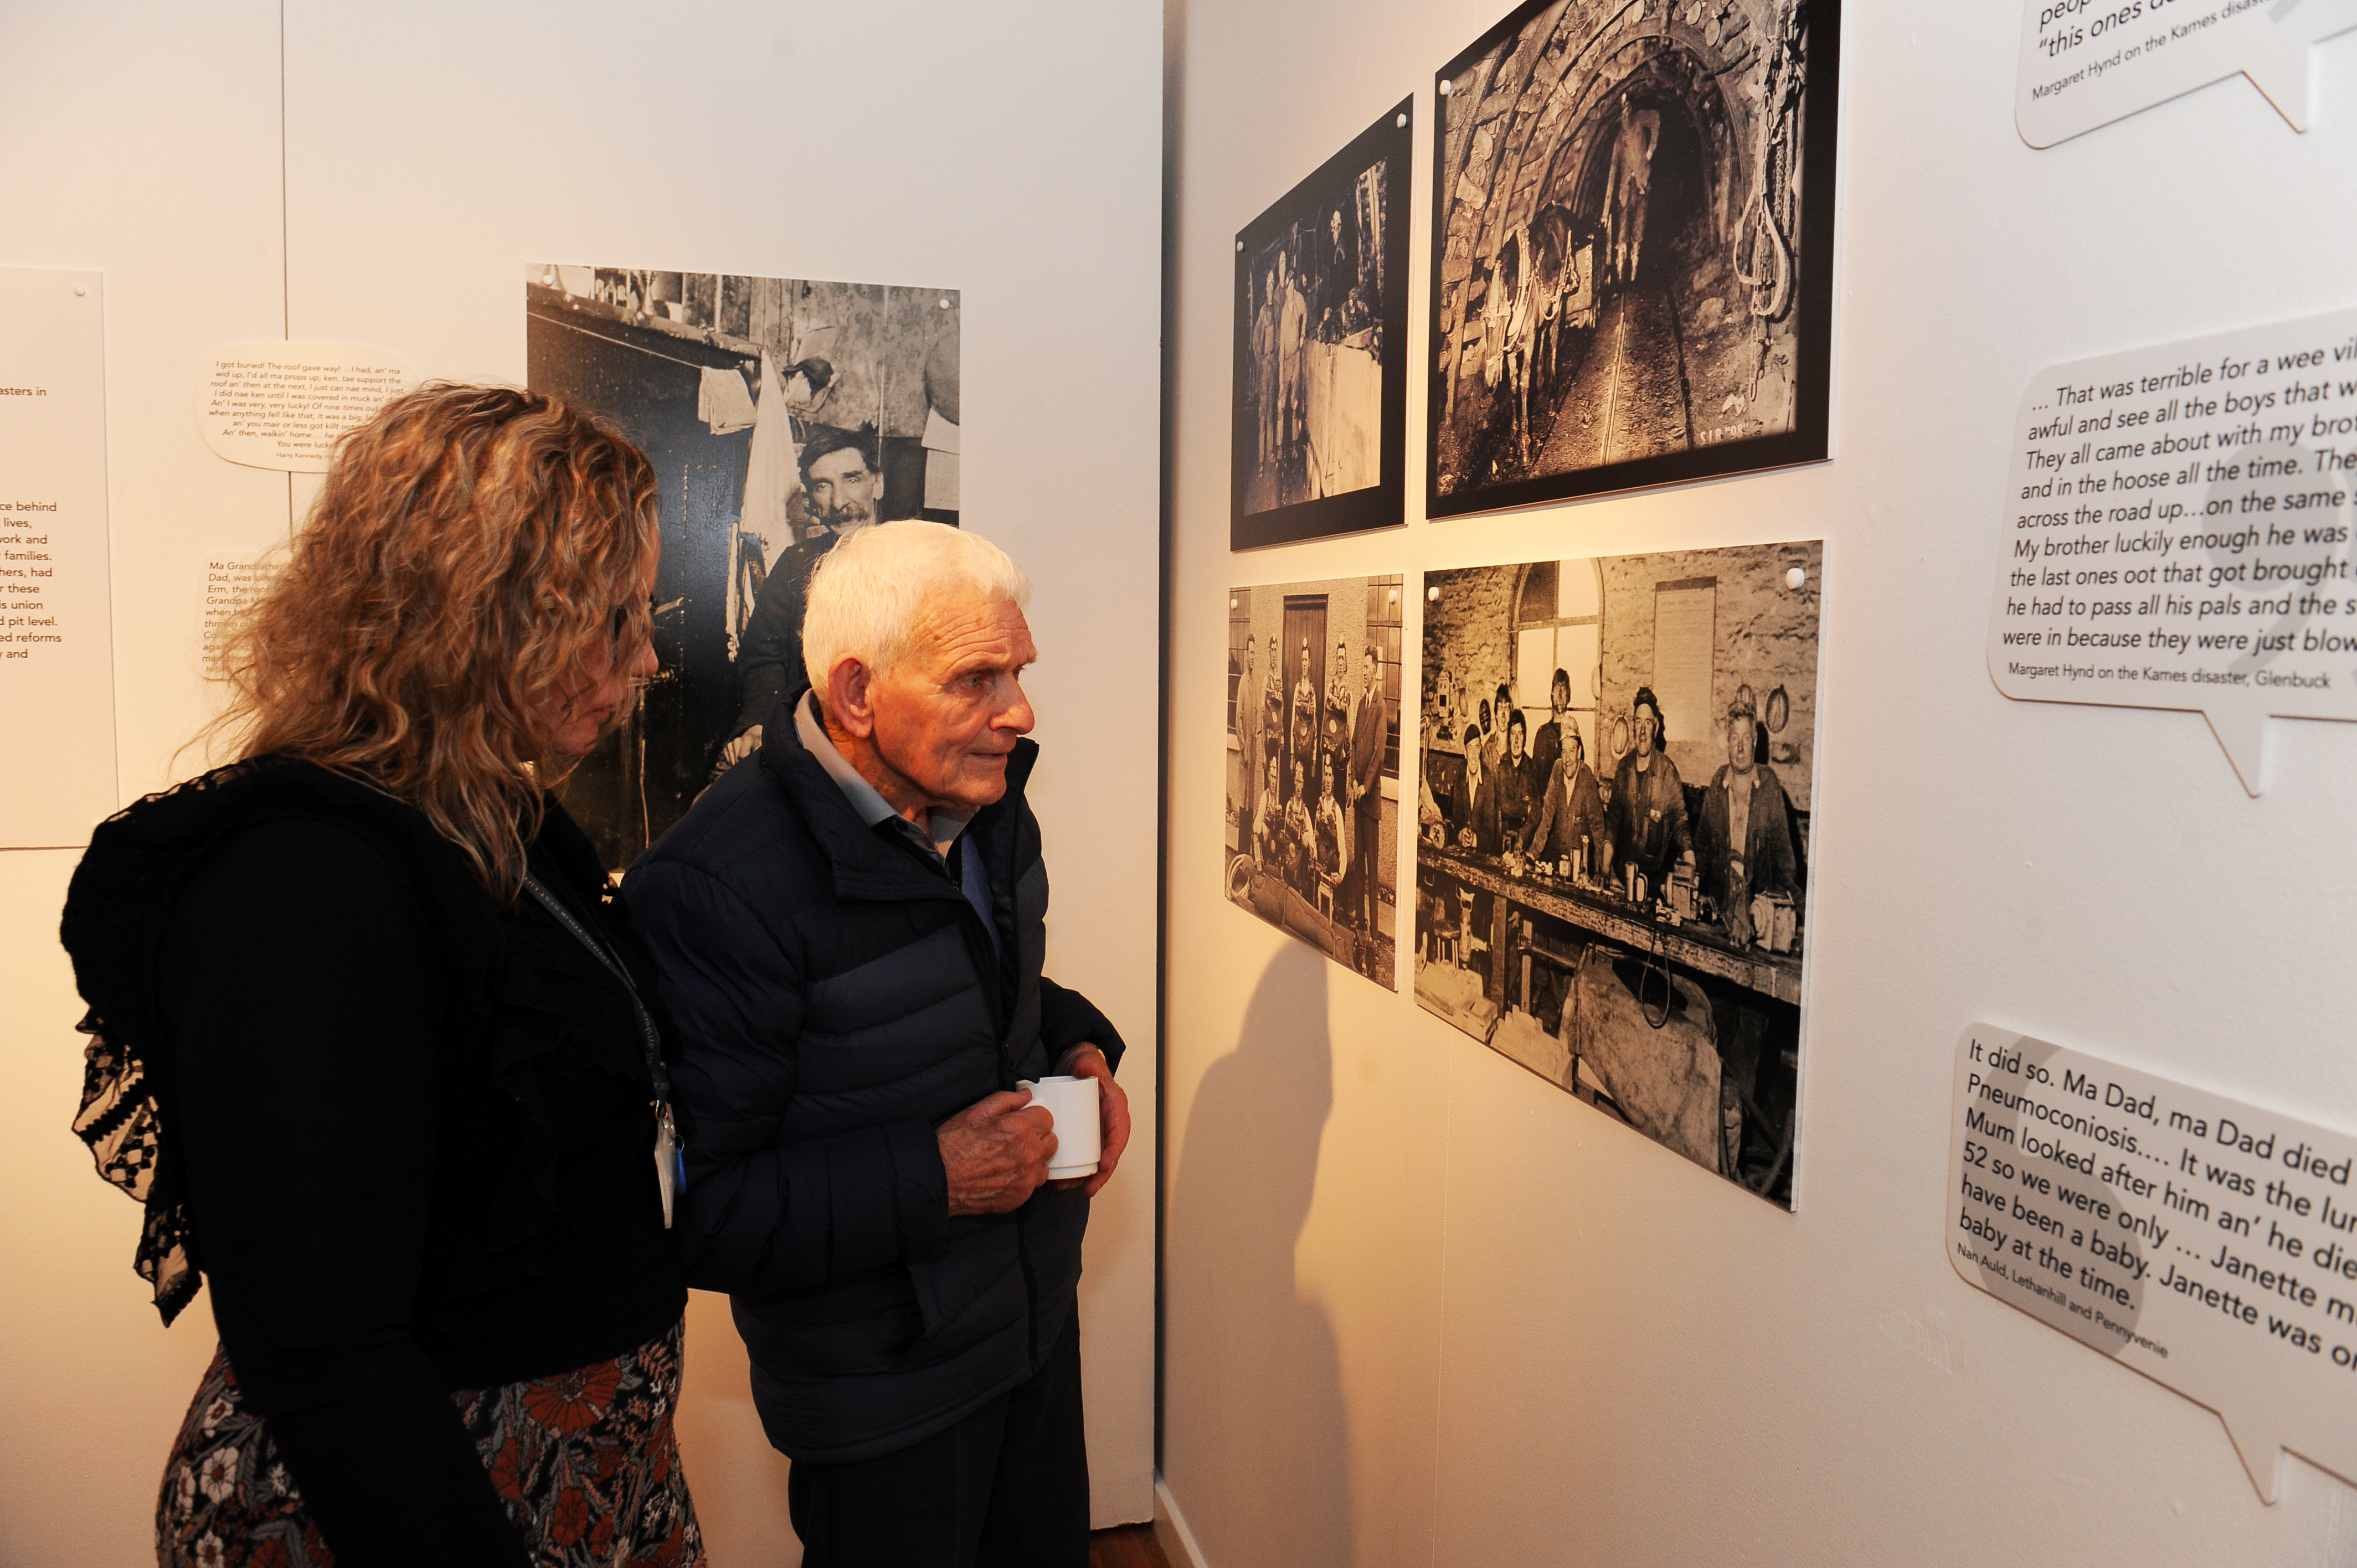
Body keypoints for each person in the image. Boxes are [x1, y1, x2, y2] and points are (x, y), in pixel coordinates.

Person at [60, 385, 703, 1566]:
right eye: (612, 620)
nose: (646, 655)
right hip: (408, 1506)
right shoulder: (300, 883)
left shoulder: (494, 822)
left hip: (569, 1473)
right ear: (487, 616)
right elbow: (324, 1349)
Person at [624, 522, 1131, 1568]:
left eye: (1019, 671)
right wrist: (934, 1177)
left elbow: (971, 989)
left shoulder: (985, 801)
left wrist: (1078, 1043)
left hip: (1026, 1327)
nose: (1019, 712)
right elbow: (702, 1209)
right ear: (858, 693)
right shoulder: (720, 883)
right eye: (976, 679)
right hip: (882, 1387)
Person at [723, 425, 893, 760]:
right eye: (823, 486)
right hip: (816, 735)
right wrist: (759, 722)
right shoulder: (796, 564)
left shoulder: (920, 558)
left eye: (852, 479)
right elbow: (764, 656)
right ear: (811, 499)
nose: (839, 501)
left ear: (878, 484)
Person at [1697, 700, 1798, 942]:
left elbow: (1785, 864)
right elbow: (1701, 848)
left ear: (1754, 741)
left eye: (1746, 739)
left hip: (1758, 915)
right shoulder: (1718, 782)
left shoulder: (1769, 786)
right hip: (1720, 911)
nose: (1740, 748)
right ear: (1727, 742)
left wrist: (1783, 914)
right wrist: (1697, 892)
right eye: (1734, 739)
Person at [1606, 685, 1691, 893]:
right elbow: (1613, 822)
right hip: (1621, 882)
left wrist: (1691, 870)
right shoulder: (1623, 768)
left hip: (1653, 887)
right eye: (1638, 722)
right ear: (1633, 725)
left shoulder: (1667, 772)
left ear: (1656, 726)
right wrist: (1606, 870)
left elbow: (1681, 825)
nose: (1642, 732)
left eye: (1648, 723)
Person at [1531, 721, 1608, 878]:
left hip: (1581, 869)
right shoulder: (1557, 769)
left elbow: (1598, 828)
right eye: (1564, 752)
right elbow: (1547, 818)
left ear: (1579, 752)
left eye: (1572, 751)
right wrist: (1532, 855)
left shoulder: (1587, 778)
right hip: (1558, 862)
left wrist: (1603, 871)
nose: (1567, 759)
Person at [1603, 95, 1662, 286]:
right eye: (1622, 116)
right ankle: (1621, 275)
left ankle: (1634, 270)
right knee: (1622, 234)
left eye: (1626, 111)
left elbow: (1656, 117)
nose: (1625, 118)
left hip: (1642, 185)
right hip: (1625, 192)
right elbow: (1612, 172)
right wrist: (1605, 212)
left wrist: (1651, 150)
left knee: (1638, 229)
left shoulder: (1639, 121)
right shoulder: (1619, 141)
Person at [1347, 643, 1386, 935]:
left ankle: (1373, 927)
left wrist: (1364, 787)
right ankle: (1359, 919)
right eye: (1361, 668)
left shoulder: (1381, 706)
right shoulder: (1361, 705)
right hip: (1357, 798)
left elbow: (1378, 753)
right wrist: (1352, 782)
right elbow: (1353, 745)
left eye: (1366, 667)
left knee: (1372, 868)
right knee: (1358, 864)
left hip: (1370, 802)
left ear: (1376, 670)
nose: (1363, 672)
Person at [1496, 709, 1536, 857]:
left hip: (1525, 839)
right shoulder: (1503, 765)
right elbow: (1505, 806)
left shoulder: (1531, 767)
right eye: (1513, 734)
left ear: (1525, 738)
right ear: (1509, 738)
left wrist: (1523, 838)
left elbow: (1537, 812)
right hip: (1504, 836)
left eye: (1520, 734)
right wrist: (1526, 809)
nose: (1517, 740)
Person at [1314, 750, 1351, 899]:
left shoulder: (1337, 811)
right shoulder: (1319, 805)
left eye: (1330, 775)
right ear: (1323, 779)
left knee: (1335, 863)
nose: (1328, 780)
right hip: (1319, 856)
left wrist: (1341, 875)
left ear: (1334, 779)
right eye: (1325, 775)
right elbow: (1315, 835)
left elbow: (1342, 849)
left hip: (1330, 861)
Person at [1530, 668, 1570, 787]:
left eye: (1564, 689)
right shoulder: (1543, 734)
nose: (1560, 695)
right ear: (1551, 694)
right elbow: (1535, 778)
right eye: (1557, 689)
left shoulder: (1573, 735)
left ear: (1569, 696)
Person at [1283, 756, 1317, 895]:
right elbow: (1285, 829)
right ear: (1294, 783)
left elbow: (1310, 830)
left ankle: (1301, 888)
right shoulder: (1290, 805)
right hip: (1290, 847)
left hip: (1300, 850)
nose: (1298, 786)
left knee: (1305, 850)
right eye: (1296, 781)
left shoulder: (1305, 809)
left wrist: (1308, 835)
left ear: (1303, 785)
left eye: (1301, 782)